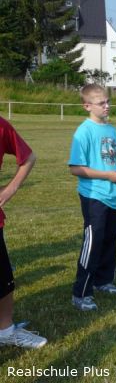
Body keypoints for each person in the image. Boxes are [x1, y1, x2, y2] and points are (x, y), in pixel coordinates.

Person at [68, 84, 116, 311]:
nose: (107, 106)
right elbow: (75, 168)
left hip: (115, 195)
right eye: (101, 103)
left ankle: (103, 281)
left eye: (108, 101)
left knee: (111, 238)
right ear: (87, 106)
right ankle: (81, 293)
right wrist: (107, 176)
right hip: (94, 196)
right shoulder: (83, 132)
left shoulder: (113, 131)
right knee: (93, 243)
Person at [0, 117, 47, 349]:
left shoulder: (1, 126)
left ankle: (5, 332)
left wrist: (11, 189)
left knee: (4, 282)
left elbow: (28, 157)